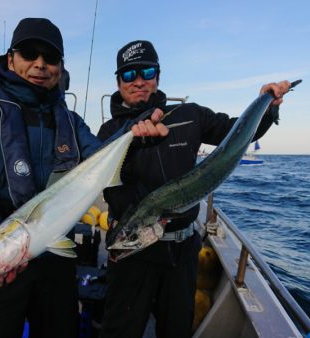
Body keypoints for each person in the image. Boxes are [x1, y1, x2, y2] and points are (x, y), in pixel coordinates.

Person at [0, 19, 167, 338]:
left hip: (56, 258)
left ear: (60, 67)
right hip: (5, 251)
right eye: (29, 53)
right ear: (10, 59)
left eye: (50, 57)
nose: (40, 64)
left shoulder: (70, 121)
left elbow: (102, 156)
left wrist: (136, 133)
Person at [97, 40, 291, 338]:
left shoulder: (190, 115)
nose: (138, 81)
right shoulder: (109, 133)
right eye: (128, 75)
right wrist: (133, 145)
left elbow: (237, 132)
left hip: (182, 252)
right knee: (120, 331)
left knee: (176, 329)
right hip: (131, 254)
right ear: (118, 81)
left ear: (158, 76)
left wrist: (265, 106)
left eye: (146, 71)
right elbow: (107, 185)